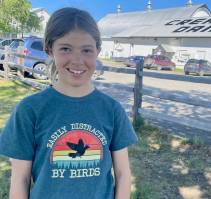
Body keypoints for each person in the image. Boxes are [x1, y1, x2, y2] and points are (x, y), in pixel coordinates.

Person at [0, 7, 137, 199]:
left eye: (87, 50)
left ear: (98, 51)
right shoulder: (29, 110)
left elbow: (123, 174)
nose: (77, 60)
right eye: (65, 48)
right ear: (49, 49)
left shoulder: (112, 110)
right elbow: (20, 179)